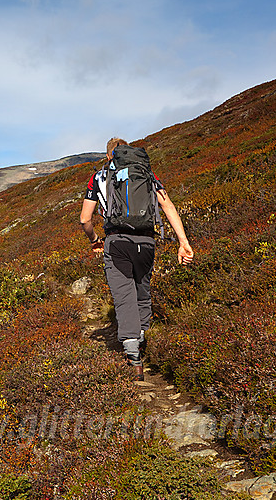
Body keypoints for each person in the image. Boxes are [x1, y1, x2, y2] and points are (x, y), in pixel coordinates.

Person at [79, 137, 193, 380]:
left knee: (124, 296)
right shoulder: (145, 172)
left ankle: (133, 356)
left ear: (109, 155)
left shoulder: (99, 176)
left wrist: (94, 239)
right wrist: (183, 242)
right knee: (142, 290)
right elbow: (168, 206)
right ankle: (143, 339)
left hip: (116, 242)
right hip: (147, 241)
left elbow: (84, 219)